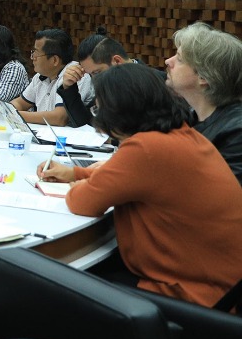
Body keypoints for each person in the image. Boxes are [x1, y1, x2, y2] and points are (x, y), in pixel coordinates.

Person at [39, 63, 242, 308]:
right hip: (222, 287)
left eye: (99, 108)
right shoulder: (181, 134)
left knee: (56, 286)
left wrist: (75, 184)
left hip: (190, 295)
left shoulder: (146, 148)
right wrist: (76, 173)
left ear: (117, 111)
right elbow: (131, 177)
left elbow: (82, 202)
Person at [165, 22, 242, 186]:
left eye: (179, 59)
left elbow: (223, 193)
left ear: (204, 77)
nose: (168, 61)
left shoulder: (237, 132)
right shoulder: (188, 117)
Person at [12, 28, 92, 125]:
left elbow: (59, 118)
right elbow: (20, 103)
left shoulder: (75, 74)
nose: (32, 58)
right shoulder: (40, 76)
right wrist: (4, 109)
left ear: (55, 60)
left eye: (36, 54)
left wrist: (14, 115)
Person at [59, 27, 135, 127]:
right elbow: (86, 125)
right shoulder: (106, 85)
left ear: (117, 61)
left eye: (97, 73)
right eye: (90, 74)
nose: (95, 80)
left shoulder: (153, 83)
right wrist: (69, 89)